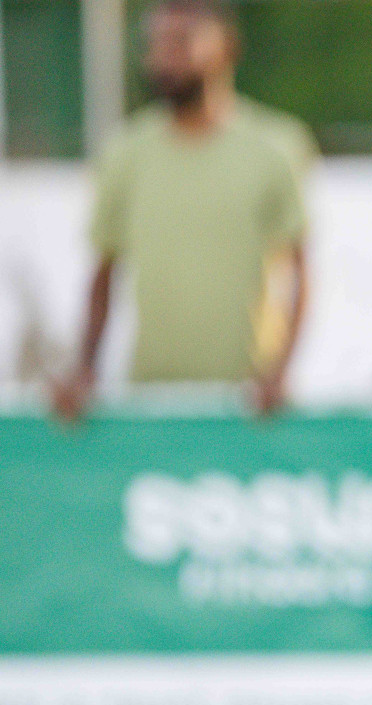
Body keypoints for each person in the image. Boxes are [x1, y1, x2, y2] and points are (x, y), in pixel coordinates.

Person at [53, 0, 315, 420]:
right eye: (155, 43)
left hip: (244, 405)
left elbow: (301, 271)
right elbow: (103, 273)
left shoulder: (276, 148)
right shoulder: (125, 153)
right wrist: (85, 367)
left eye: (181, 41)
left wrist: (279, 371)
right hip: (150, 403)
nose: (165, 57)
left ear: (226, 46)